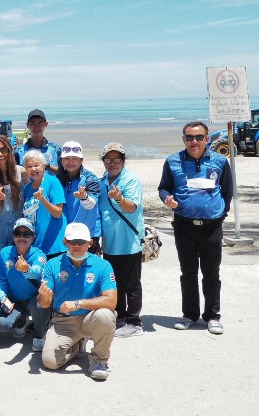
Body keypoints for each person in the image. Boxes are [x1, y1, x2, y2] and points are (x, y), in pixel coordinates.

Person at [158, 121, 233, 335]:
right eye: (189, 137)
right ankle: (190, 315)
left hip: (212, 227)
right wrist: (167, 199)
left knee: (211, 273)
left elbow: (227, 191)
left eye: (199, 137)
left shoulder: (220, 161)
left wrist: (220, 213)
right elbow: (164, 188)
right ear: (184, 139)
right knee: (188, 273)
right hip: (184, 226)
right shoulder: (172, 161)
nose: (194, 141)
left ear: (207, 139)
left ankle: (212, 316)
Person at [37, 223, 118, 381]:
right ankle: (79, 344)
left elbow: (111, 301)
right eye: (72, 241)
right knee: (50, 362)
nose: (76, 245)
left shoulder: (103, 265)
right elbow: (45, 304)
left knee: (106, 315)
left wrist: (78, 304)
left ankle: (98, 361)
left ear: (90, 243)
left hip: (90, 318)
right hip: (62, 320)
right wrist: (43, 296)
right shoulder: (52, 265)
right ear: (64, 242)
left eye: (81, 241)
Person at [97, 142, 145, 338]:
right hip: (110, 243)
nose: (112, 164)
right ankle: (120, 317)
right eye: (108, 160)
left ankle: (134, 323)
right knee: (114, 283)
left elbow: (131, 207)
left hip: (129, 242)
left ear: (123, 161)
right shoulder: (102, 182)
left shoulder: (131, 180)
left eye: (116, 160)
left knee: (132, 284)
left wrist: (119, 198)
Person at [0, 218, 50, 352]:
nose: (22, 237)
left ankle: (39, 335)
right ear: (13, 236)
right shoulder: (4, 253)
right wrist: (3, 297)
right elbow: (1, 279)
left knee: (40, 303)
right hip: (14, 300)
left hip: (33, 300)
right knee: (1, 324)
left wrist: (26, 269)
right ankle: (21, 322)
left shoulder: (40, 255)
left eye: (27, 234)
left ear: (33, 238)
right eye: (18, 234)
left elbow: (37, 271)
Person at [56, 141, 101, 253]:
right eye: (67, 158)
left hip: (88, 235)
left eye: (74, 158)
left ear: (81, 160)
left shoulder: (90, 178)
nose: (70, 161)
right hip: (66, 234)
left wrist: (84, 197)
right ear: (61, 160)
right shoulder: (58, 179)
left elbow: (91, 204)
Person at [22, 149, 66, 257]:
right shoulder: (27, 188)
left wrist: (43, 200)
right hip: (36, 245)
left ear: (44, 166)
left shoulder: (52, 182)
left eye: (36, 165)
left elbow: (58, 213)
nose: (33, 169)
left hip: (55, 245)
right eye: (29, 166)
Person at [14, 109, 61, 175]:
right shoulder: (19, 152)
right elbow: (14, 174)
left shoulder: (56, 149)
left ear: (46, 124)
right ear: (27, 125)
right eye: (32, 123)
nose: (36, 127)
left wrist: (47, 166)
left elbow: (64, 173)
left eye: (40, 123)